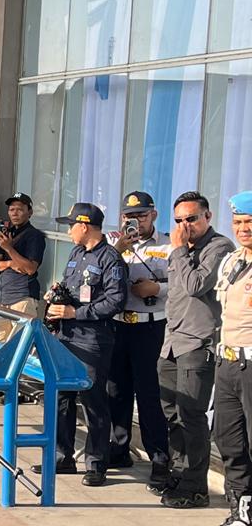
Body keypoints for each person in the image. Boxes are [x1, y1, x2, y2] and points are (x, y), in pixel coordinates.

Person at [158, 191, 236, 506]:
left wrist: (178, 250)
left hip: (197, 342)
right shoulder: (182, 250)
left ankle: (195, 486)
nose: (184, 226)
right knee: (171, 413)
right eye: (179, 220)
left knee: (191, 414)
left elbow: (195, 286)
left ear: (207, 216)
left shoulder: (219, 247)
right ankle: (179, 473)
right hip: (172, 342)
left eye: (191, 218)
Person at [46, 202, 129, 486]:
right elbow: (71, 288)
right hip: (66, 335)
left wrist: (76, 312)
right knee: (62, 397)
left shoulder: (110, 258)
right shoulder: (76, 252)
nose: (68, 231)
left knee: (93, 400)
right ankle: (62, 457)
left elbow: (116, 301)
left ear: (84, 226)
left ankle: (96, 463)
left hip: (93, 338)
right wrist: (57, 295)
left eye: (71, 226)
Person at [106, 191, 170, 484]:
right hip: (118, 325)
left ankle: (159, 457)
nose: (135, 222)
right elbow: (98, 275)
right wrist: (118, 250)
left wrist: (157, 289)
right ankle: (119, 448)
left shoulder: (168, 245)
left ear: (153, 215)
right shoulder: (113, 244)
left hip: (150, 327)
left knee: (149, 395)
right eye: (129, 217)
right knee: (116, 391)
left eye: (141, 216)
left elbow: (181, 283)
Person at [203, 191, 252, 526]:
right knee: (230, 442)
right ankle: (242, 514)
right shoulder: (233, 261)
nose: (243, 228)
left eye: (249, 222)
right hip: (228, 362)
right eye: (237, 222)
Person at [0, 193, 46, 339]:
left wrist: (9, 249)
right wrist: (10, 263)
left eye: (20, 209)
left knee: (18, 345)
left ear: (30, 212)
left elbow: (30, 268)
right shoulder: (6, 233)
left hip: (22, 297)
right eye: (11, 209)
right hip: (2, 297)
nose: (15, 213)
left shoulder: (34, 235)